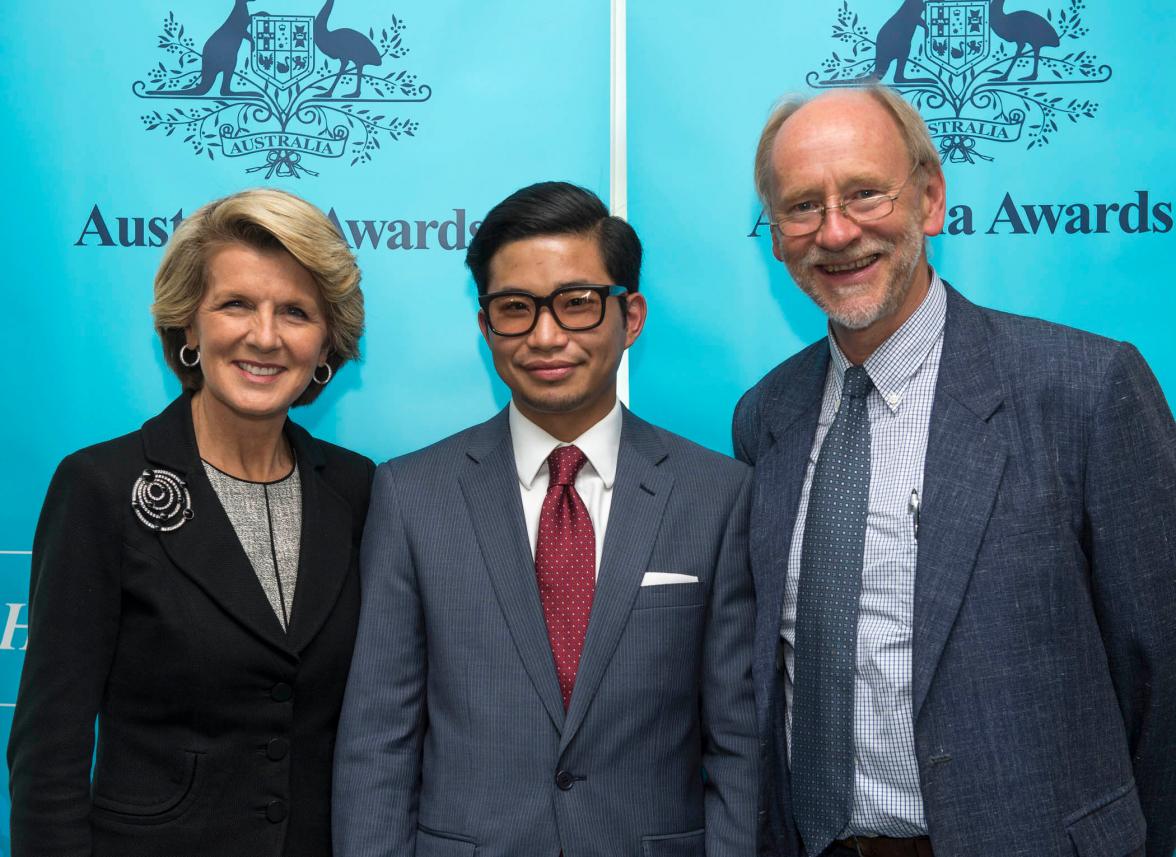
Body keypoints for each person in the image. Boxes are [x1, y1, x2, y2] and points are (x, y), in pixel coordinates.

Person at [734, 85, 1176, 857]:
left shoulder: (1084, 389)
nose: (836, 232)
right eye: (803, 207)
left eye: (865, 193)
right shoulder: (765, 417)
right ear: (776, 238)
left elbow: (1162, 668)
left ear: (931, 198)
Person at [332, 181, 757, 857]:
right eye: (516, 309)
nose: (546, 335)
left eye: (577, 304)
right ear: (485, 325)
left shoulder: (718, 494)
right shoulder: (412, 495)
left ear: (631, 314)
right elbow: (378, 742)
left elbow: (738, 744)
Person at [8, 188, 374, 857]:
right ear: (188, 327)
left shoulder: (358, 489)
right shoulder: (101, 486)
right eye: (235, 304)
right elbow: (49, 753)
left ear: (326, 342)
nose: (265, 335)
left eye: (295, 311)